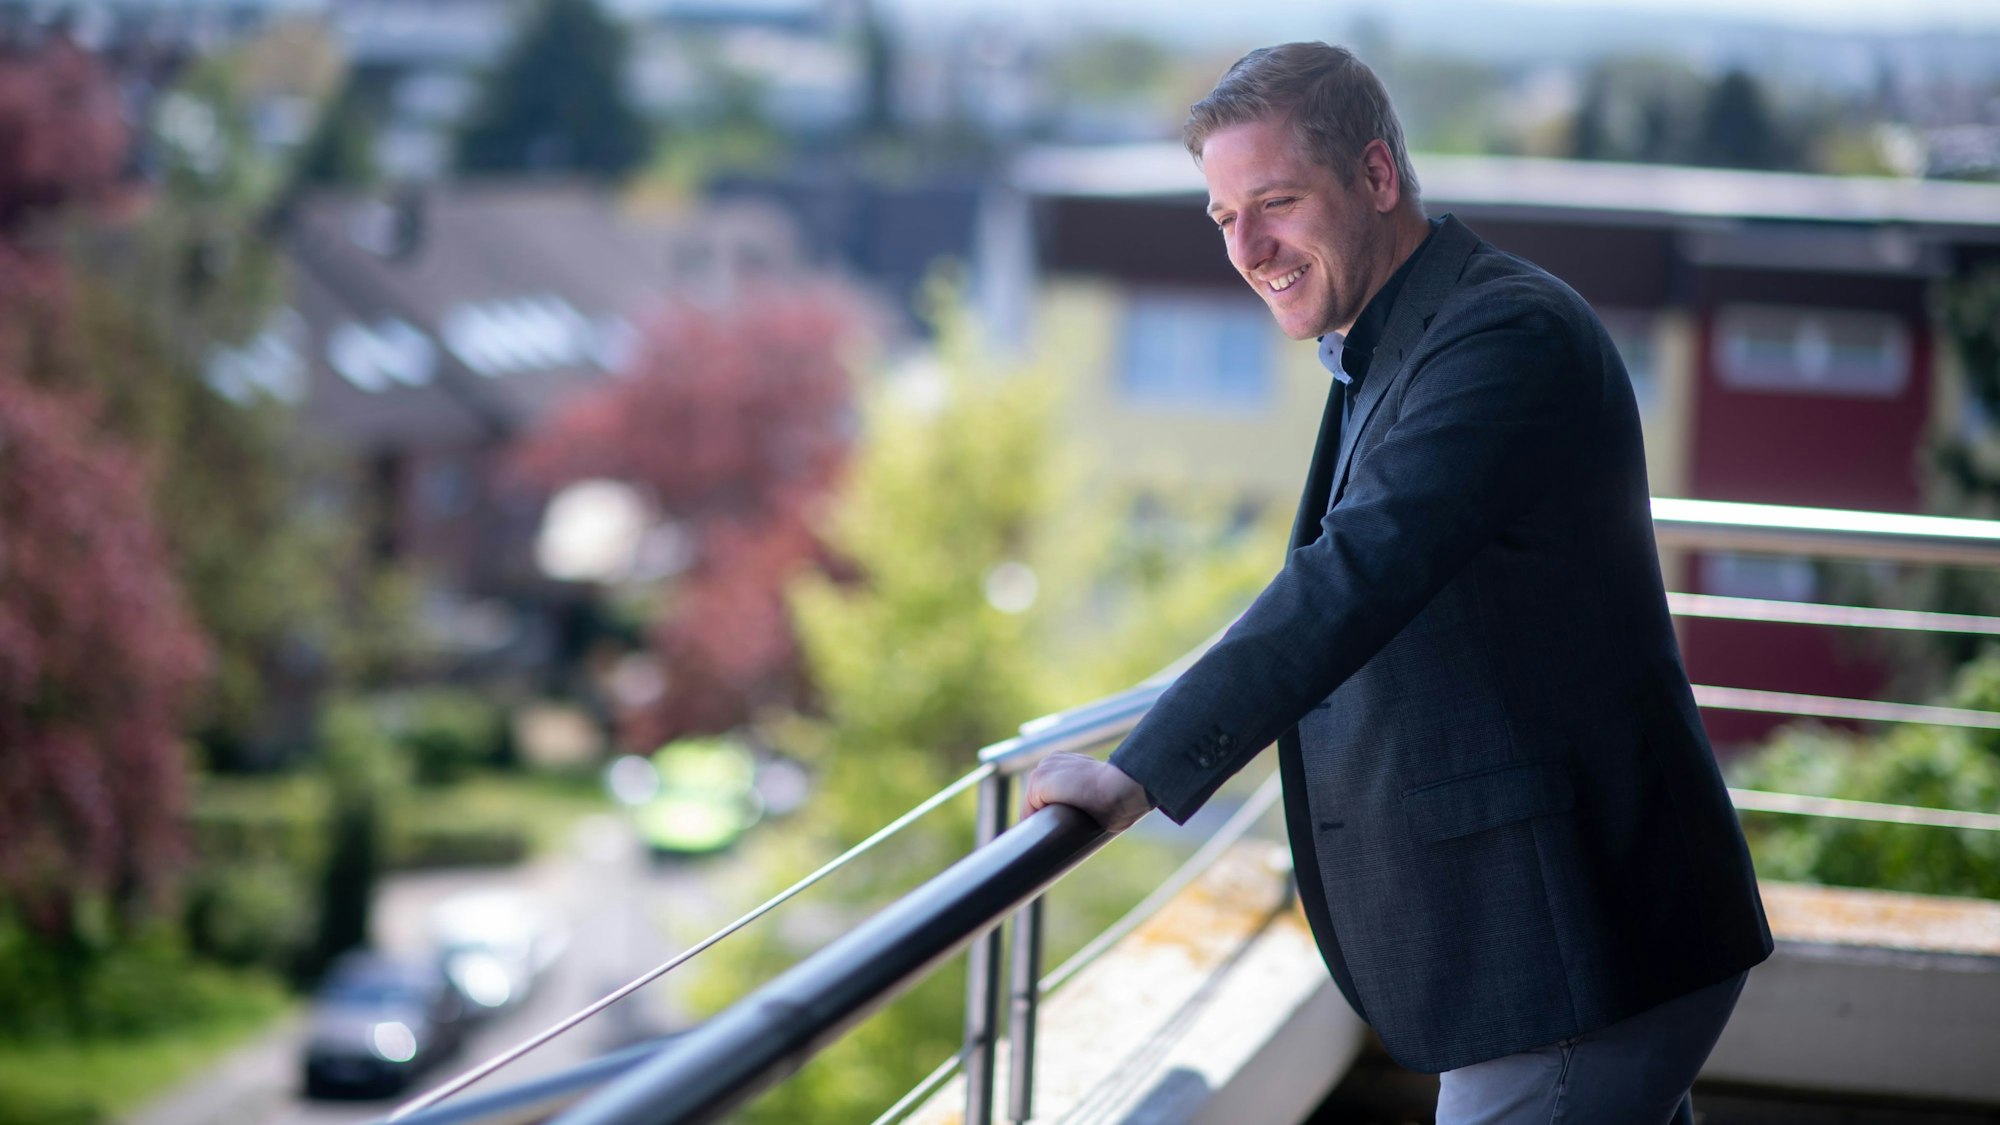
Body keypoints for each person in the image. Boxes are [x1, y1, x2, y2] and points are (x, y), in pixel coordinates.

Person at [1022, 42, 1772, 1124]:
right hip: (1574, 941)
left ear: (1375, 176)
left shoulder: (1501, 337)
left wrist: (1136, 774)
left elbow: (1356, 574)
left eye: (1273, 202)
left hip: (1568, 949)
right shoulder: (1392, 336)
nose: (1247, 247)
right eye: (1220, 216)